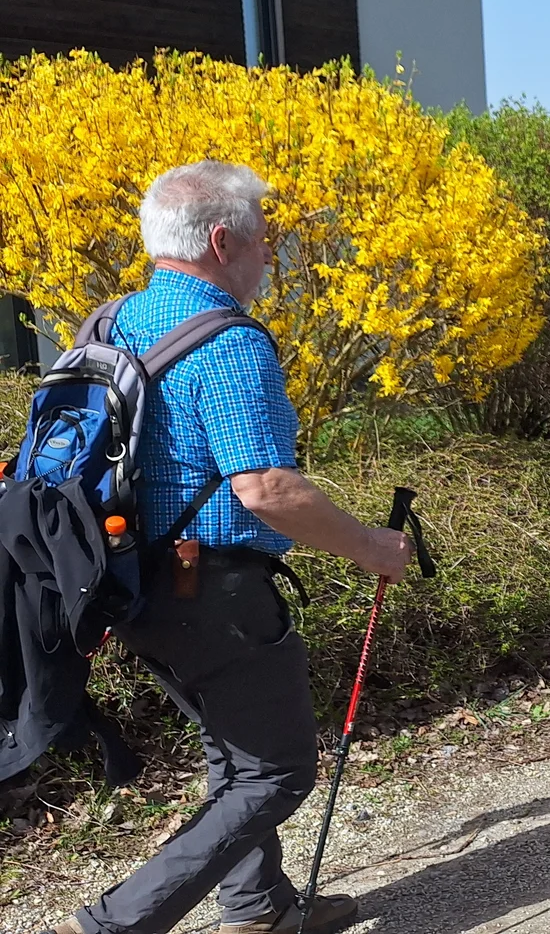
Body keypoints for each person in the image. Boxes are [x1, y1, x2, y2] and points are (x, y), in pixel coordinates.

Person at [47, 162, 413, 934]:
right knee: (276, 773)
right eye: (264, 242)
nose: (270, 259)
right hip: (213, 596)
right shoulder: (228, 341)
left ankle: (258, 908)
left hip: (126, 587)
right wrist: (372, 548)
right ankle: (119, 922)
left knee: (233, 757)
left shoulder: (110, 323)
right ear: (222, 241)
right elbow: (266, 489)